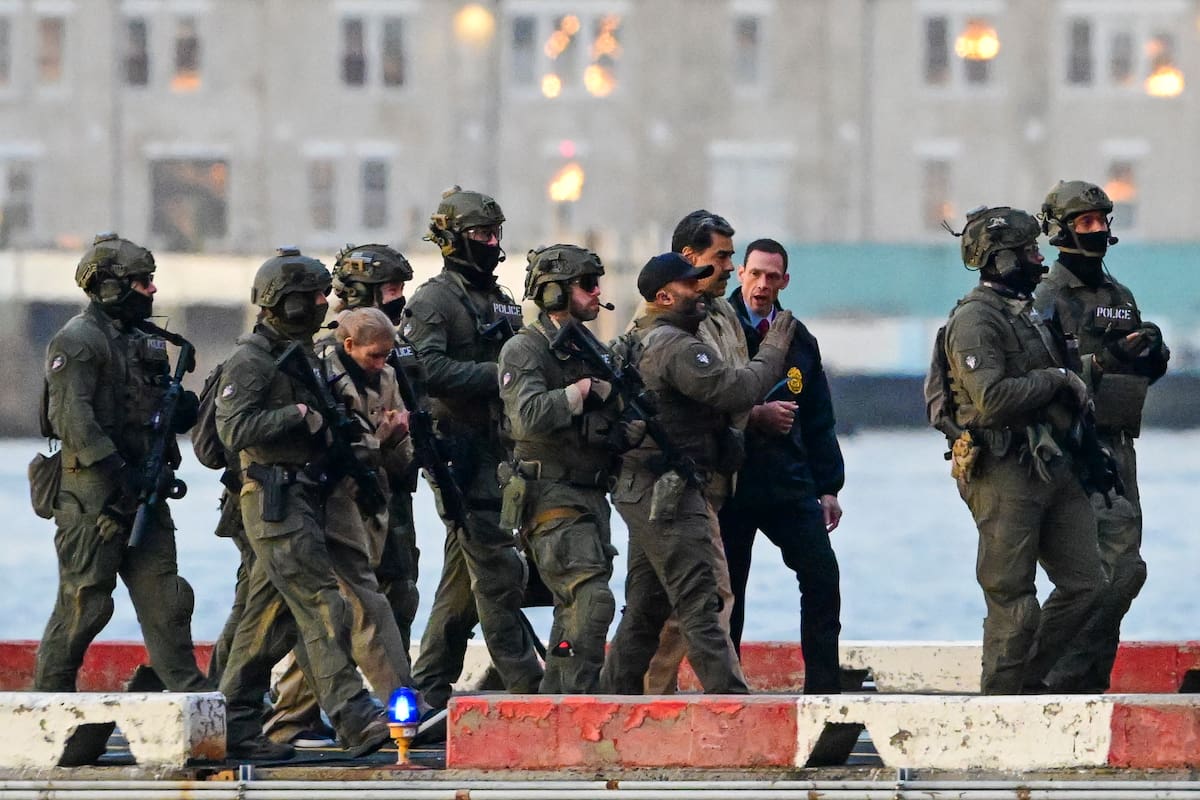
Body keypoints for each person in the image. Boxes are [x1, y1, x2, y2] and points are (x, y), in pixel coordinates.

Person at [215, 247, 390, 760]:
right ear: (285, 302)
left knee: (266, 621)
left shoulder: (300, 355)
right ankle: (355, 718)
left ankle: (236, 723)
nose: (324, 302)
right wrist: (295, 414)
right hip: (274, 498)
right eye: (314, 295)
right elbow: (235, 429)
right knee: (321, 603)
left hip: (305, 494)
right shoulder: (251, 361)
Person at [599, 252, 796, 695]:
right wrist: (775, 349)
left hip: (643, 491)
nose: (701, 293)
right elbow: (737, 390)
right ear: (664, 296)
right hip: (669, 494)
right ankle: (731, 706)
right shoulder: (676, 346)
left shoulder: (642, 339)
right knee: (700, 602)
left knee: (646, 609)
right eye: (691, 286)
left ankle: (609, 701)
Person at [937, 206, 1106, 695]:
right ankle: (1001, 701)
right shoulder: (975, 319)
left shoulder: (1029, 312)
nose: (1039, 259)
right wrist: (1055, 379)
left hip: (1053, 464)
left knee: (1088, 584)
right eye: (1030, 251)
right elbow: (990, 400)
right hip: (1003, 469)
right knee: (1013, 598)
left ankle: (1025, 683)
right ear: (1003, 259)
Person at [33, 233, 208, 693]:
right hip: (94, 499)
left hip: (144, 492)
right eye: (141, 281)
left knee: (168, 600)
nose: (151, 290)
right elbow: (73, 421)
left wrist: (181, 407)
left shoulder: (141, 341)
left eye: (151, 281)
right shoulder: (78, 341)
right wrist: (121, 477)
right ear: (110, 285)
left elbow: (149, 405)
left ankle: (190, 698)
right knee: (85, 604)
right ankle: (47, 704)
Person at [406, 187, 542, 717]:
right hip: (455, 451)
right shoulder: (432, 301)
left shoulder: (502, 299)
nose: (492, 243)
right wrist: (500, 377)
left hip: (499, 450)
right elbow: (426, 368)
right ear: (453, 239)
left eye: (496, 234)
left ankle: (430, 683)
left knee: (462, 578)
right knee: (496, 569)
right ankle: (528, 685)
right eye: (482, 235)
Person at [1033, 181, 1170, 692]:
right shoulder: (1047, 296)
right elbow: (1040, 376)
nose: (1096, 231)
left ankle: (1088, 679)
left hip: (1120, 447)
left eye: (1101, 221)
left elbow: (1138, 372)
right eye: (1085, 222)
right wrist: (1104, 361)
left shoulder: (1119, 296)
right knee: (1110, 572)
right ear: (1060, 230)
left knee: (1123, 573)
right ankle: (1048, 674)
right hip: (1074, 450)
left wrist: (1151, 354)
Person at [263, 306, 417, 748]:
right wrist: (379, 437)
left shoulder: (385, 377)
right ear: (348, 346)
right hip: (320, 498)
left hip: (365, 497)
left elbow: (395, 442)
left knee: (333, 610)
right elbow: (327, 435)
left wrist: (398, 441)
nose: (381, 364)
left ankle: (290, 718)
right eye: (373, 355)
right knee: (333, 607)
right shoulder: (319, 373)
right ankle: (396, 702)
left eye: (387, 355)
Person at [497, 244, 633, 693]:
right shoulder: (525, 349)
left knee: (574, 608)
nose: (598, 293)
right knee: (591, 601)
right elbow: (528, 416)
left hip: (592, 494)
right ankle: (572, 704)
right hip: (550, 494)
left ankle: (556, 703)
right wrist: (582, 390)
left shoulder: (589, 348)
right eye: (587, 285)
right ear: (555, 292)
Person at [720, 238, 846, 693]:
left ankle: (824, 689)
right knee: (729, 590)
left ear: (784, 281)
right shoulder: (718, 329)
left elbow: (819, 418)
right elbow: (701, 402)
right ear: (741, 274)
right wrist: (753, 417)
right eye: (755, 274)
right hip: (731, 482)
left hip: (788, 481)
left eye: (772, 277)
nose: (762, 284)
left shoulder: (798, 338)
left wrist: (829, 488)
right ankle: (727, 688)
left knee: (821, 575)